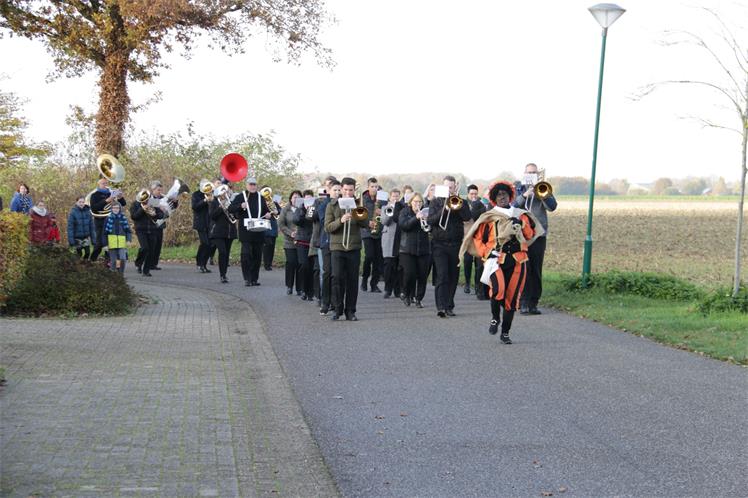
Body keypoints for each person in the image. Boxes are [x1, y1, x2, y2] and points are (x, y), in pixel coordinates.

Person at [461, 181, 544, 344]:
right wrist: (487, 252)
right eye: (498, 195)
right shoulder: (489, 217)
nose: (502, 197)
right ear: (494, 198)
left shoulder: (521, 214)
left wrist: (522, 225)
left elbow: (529, 235)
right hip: (496, 260)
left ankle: (505, 332)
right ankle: (495, 318)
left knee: (511, 299)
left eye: (504, 194)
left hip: (518, 260)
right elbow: (478, 239)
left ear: (510, 196)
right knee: (498, 290)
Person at [513, 163, 558, 315]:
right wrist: (524, 195)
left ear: (537, 174)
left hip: (539, 235)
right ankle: (523, 302)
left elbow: (552, 207)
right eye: (529, 172)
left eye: (534, 172)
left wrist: (542, 194)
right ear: (524, 173)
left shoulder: (543, 187)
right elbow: (512, 207)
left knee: (536, 270)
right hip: (521, 236)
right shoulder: (518, 187)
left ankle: (534, 303)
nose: (531, 174)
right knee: (524, 269)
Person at [427, 175, 472, 317]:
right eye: (446, 187)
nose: (449, 190)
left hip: (456, 244)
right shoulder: (435, 202)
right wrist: (445, 209)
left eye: (451, 187)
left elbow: (467, 217)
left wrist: (457, 202)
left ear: (454, 188)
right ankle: (440, 307)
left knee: (453, 276)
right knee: (442, 275)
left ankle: (449, 305)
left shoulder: (460, 201)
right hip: (439, 244)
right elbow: (431, 220)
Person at [324, 177, 369, 321]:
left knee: (352, 280)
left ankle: (350, 311)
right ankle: (337, 309)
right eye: (345, 190)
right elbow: (328, 227)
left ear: (354, 190)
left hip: (354, 247)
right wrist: (340, 220)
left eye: (351, 190)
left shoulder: (358, 204)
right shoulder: (332, 205)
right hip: (337, 247)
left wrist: (359, 211)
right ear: (341, 189)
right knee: (337, 278)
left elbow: (365, 224)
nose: (348, 193)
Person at [228, 175, 271, 286]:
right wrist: (240, 205)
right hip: (245, 231)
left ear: (257, 186)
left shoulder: (261, 197)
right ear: (246, 185)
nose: (252, 186)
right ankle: (247, 278)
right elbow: (230, 209)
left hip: (259, 231)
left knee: (257, 256)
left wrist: (268, 214)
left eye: (254, 184)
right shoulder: (240, 196)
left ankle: (254, 279)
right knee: (246, 254)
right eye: (250, 184)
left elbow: (266, 211)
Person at [398, 193, 431, 308]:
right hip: (407, 249)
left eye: (420, 202)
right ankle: (406, 294)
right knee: (409, 274)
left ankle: (419, 299)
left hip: (424, 249)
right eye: (415, 201)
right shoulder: (405, 212)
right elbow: (404, 225)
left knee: (422, 275)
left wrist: (428, 220)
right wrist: (416, 218)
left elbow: (431, 228)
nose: (418, 204)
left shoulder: (426, 212)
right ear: (410, 202)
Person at [316, 180, 340, 315]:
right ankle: (325, 302)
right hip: (327, 241)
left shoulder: (344, 203)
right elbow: (324, 222)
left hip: (340, 243)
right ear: (329, 191)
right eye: (334, 190)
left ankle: (335, 302)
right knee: (327, 272)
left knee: (336, 274)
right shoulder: (323, 204)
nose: (337, 192)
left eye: (339, 190)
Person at [90, 177, 126, 264]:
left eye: (106, 183)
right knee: (99, 244)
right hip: (99, 221)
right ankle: (91, 260)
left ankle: (109, 263)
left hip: (111, 220)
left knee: (110, 242)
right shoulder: (94, 195)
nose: (105, 185)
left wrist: (120, 197)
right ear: (98, 183)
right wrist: (106, 201)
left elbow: (123, 204)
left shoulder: (111, 193)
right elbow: (94, 208)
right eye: (103, 183)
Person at [130, 192, 165, 277]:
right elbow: (134, 216)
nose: (146, 200)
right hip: (141, 229)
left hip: (153, 229)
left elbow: (161, 215)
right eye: (144, 198)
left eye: (147, 198)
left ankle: (146, 271)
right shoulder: (135, 204)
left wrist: (156, 214)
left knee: (151, 251)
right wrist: (142, 209)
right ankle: (138, 263)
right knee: (145, 248)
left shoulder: (154, 203)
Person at [360, 177, 385, 293]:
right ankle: (364, 280)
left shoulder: (382, 198)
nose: (374, 189)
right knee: (369, 256)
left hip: (379, 231)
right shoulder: (362, 199)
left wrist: (382, 212)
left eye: (376, 187)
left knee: (378, 259)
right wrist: (367, 222)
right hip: (366, 231)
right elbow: (359, 215)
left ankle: (374, 284)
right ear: (368, 187)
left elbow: (388, 213)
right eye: (372, 186)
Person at [209, 183, 238, 283]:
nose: (225, 194)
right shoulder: (214, 202)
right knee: (222, 252)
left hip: (230, 231)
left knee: (226, 253)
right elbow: (212, 216)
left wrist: (233, 209)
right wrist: (221, 208)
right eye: (223, 192)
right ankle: (222, 274)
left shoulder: (231, 202)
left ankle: (224, 274)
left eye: (226, 192)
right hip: (218, 232)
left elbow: (236, 216)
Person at [463, 184, 487, 299]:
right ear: (468, 194)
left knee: (479, 264)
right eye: (471, 194)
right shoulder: (463, 203)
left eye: (475, 194)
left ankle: (478, 286)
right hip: (468, 236)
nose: (474, 196)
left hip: (478, 236)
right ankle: (467, 282)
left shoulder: (481, 204)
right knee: (467, 261)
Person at [293, 189, 317, 301]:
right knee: (304, 265)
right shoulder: (300, 208)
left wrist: (311, 209)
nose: (308, 201)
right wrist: (304, 209)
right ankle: (303, 289)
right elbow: (296, 220)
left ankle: (310, 292)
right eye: (306, 199)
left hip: (312, 241)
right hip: (302, 241)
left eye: (310, 199)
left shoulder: (314, 208)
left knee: (312, 267)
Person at [278, 190, 302, 295]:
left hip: (301, 241)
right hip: (289, 241)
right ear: (291, 199)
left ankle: (299, 288)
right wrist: (290, 233)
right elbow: (281, 224)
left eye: (298, 197)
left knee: (300, 264)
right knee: (291, 262)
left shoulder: (304, 209)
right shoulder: (285, 210)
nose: (296, 199)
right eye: (294, 197)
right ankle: (289, 286)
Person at [380, 188, 401, 299]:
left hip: (399, 237)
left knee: (398, 265)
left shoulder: (402, 208)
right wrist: (391, 210)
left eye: (397, 196)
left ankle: (398, 290)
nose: (395, 198)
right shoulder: (385, 208)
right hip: (388, 238)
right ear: (390, 197)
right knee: (388, 265)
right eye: (393, 196)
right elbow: (384, 222)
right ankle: (387, 289)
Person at [191, 179, 214, 274]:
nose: (207, 188)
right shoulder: (196, 195)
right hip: (200, 223)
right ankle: (199, 263)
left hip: (209, 222)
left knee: (210, 244)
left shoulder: (211, 194)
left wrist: (212, 201)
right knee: (205, 243)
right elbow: (195, 207)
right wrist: (205, 200)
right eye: (205, 186)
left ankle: (204, 264)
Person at [104, 202, 132, 273]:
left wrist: (128, 240)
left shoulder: (123, 218)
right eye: (114, 208)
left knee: (123, 259)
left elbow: (128, 231)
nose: (115, 209)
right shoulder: (108, 218)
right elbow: (104, 233)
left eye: (117, 208)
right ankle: (113, 275)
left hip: (121, 242)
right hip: (111, 242)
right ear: (111, 209)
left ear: (120, 209)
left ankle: (120, 274)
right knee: (113, 261)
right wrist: (105, 244)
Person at [262, 186, 281, 271]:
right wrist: (265, 214)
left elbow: (280, 210)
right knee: (267, 246)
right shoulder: (261, 201)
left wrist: (277, 211)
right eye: (265, 192)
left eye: (268, 191)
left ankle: (269, 263)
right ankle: (266, 264)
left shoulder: (274, 201)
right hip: (265, 225)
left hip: (273, 226)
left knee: (272, 246)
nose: (267, 193)